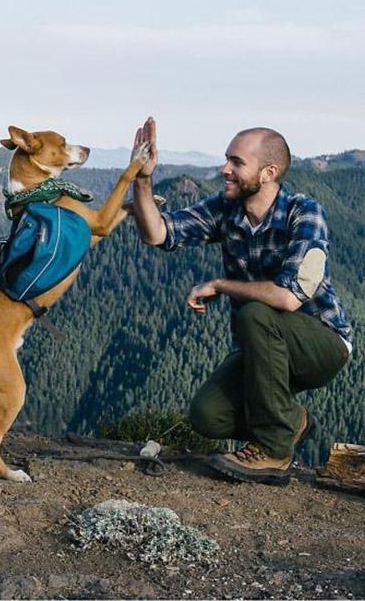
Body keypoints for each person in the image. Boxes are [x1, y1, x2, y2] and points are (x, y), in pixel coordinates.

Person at [130, 117, 353, 484]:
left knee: (255, 313)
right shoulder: (227, 210)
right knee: (207, 415)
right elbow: (158, 233)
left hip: (322, 343)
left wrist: (221, 284)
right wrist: (141, 177)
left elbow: (288, 297)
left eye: (236, 162)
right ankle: (291, 421)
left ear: (268, 173)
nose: (225, 170)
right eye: (226, 160)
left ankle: (274, 451)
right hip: (263, 343)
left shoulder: (304, 212)